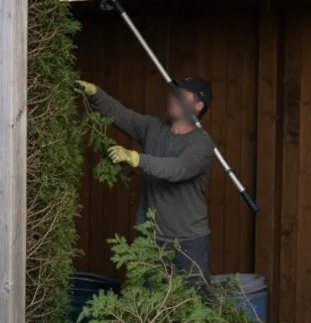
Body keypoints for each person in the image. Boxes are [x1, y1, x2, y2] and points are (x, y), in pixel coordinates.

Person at [77, 77, 215, 279]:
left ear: (198, 106)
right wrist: (96, 94)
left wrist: (135, 158)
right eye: (174, 94)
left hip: (188, 242)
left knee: (192, 305)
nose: (174, 99)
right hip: (150, 237)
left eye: (182, 96)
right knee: (148, 304)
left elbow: (177, 169)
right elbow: (123, 115)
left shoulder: (202, 145)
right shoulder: (153, 128)